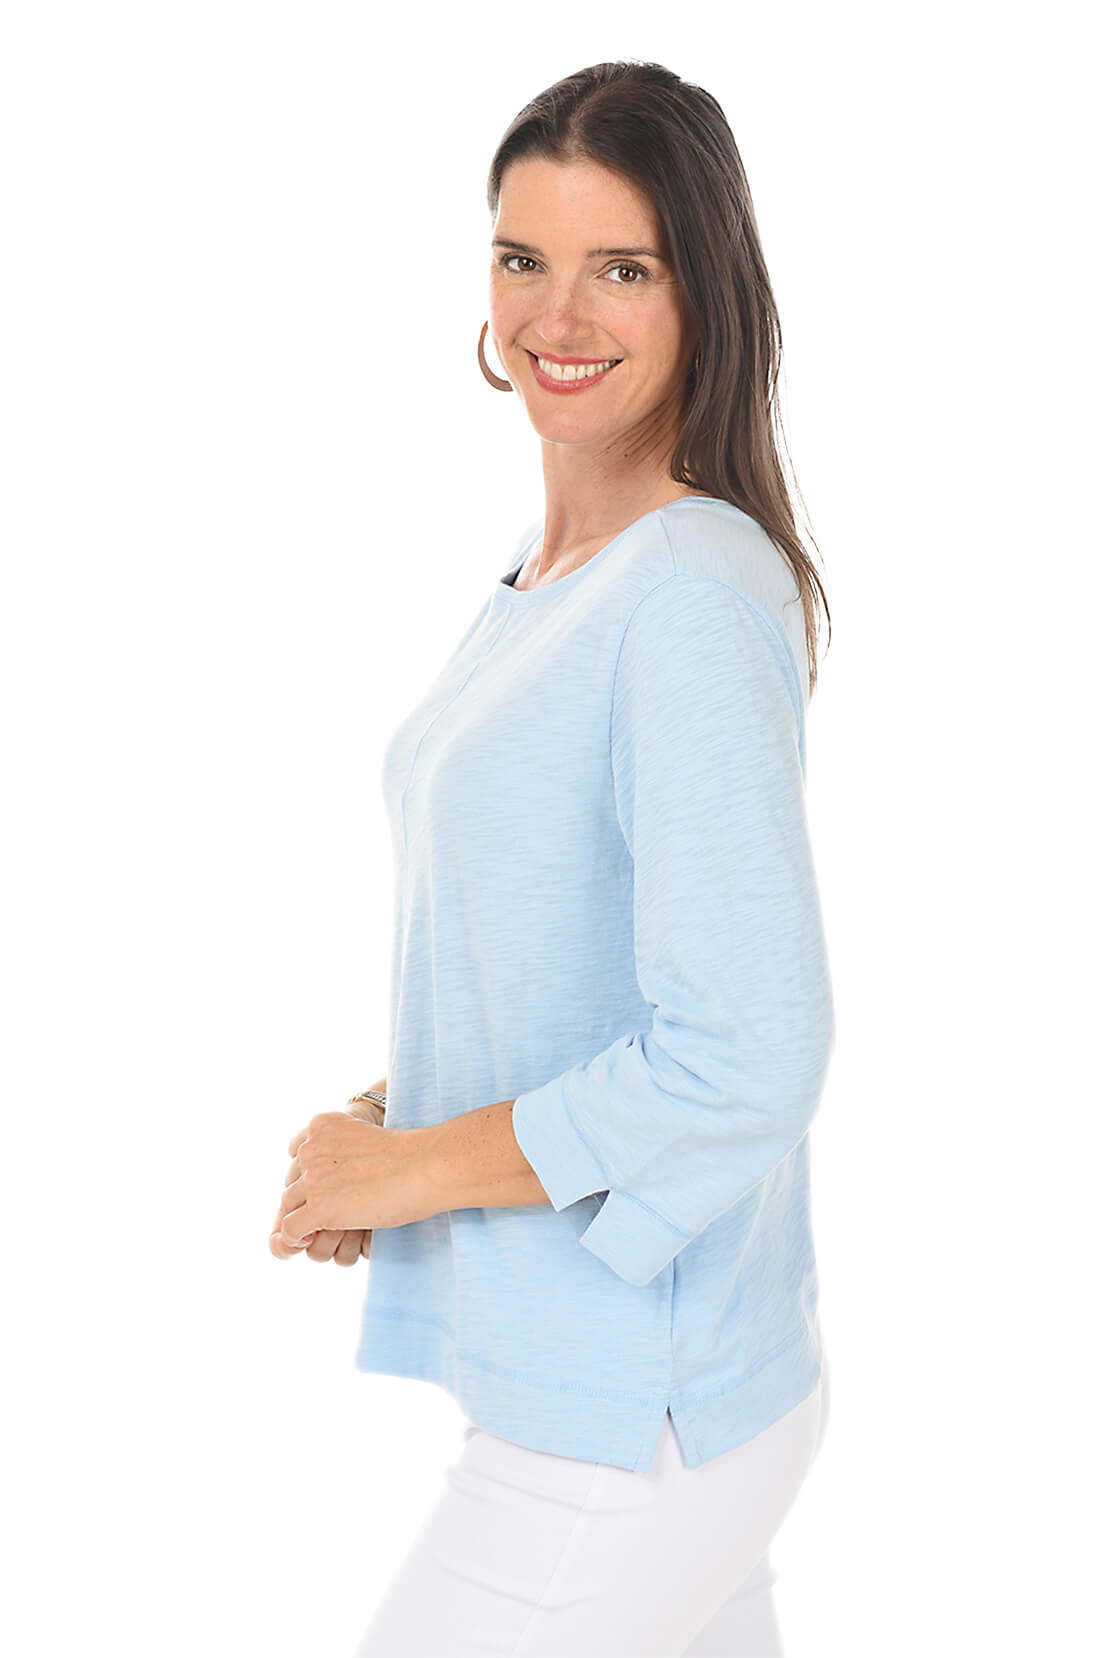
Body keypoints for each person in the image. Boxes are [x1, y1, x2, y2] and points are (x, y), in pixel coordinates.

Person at [271, 58, 836, 1658]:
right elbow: (582, 966)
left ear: (702, 291)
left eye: (622, 267)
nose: (558, 314)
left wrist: (416, 1172)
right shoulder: (557, 574)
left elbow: (749, 1050)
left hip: (626, 1422)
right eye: (523, 257)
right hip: (634, 1398)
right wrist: (398, 1123)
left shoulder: (683, 597)